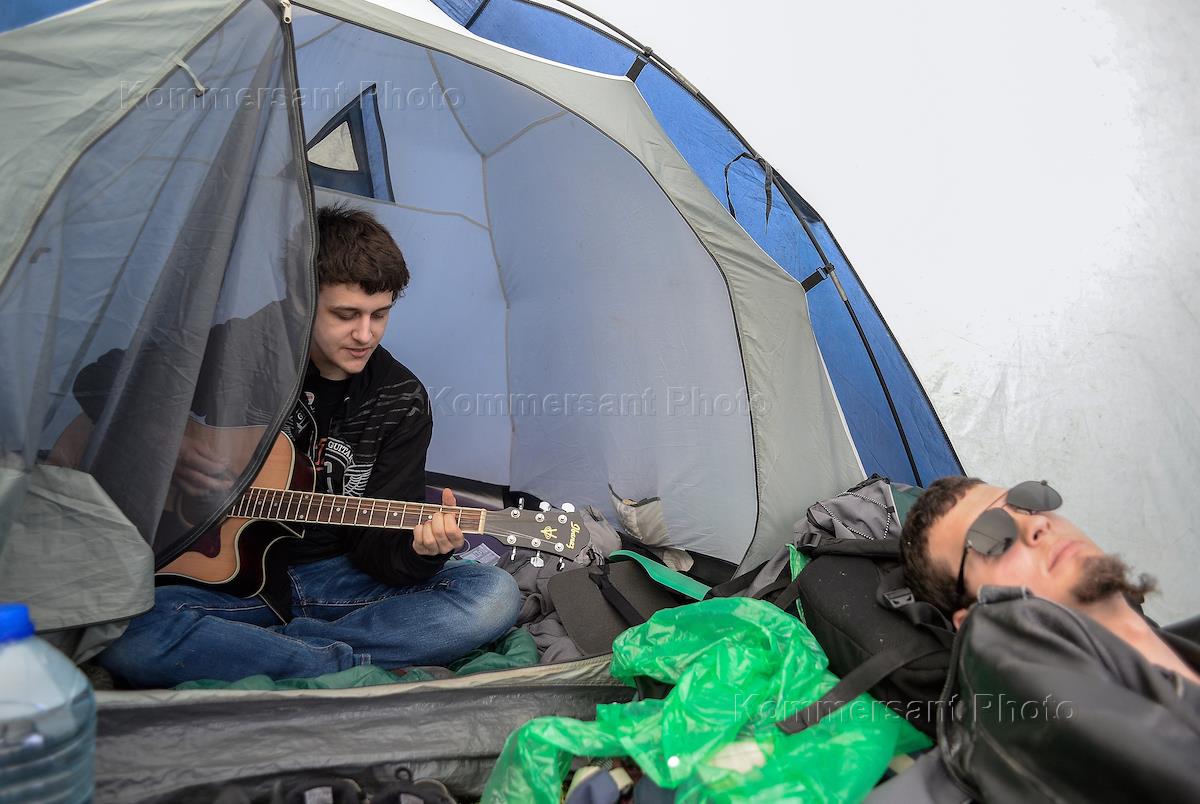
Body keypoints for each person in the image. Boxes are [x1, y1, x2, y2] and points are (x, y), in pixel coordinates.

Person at [94, 205, 521, 688]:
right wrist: (175, 449)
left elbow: (380, 554)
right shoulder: (242, 348)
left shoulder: (400, 399)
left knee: (492, 595)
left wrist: (423, 552)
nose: (365, 334)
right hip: (216, 576)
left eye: (380, 315)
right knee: (127, 632)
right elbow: (101, 379)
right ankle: (336, 664)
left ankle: (263, 651)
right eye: (346, 315)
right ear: (300, 298)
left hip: (334, 576)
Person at [899, 476, 1200, 800]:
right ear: (973, 614)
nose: (1037, 524)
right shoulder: (995, 636)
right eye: (990, 535)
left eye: (1027, 502)